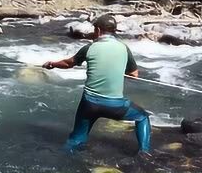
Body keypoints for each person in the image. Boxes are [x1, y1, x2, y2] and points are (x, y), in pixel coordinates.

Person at [42, 14, 151, 156]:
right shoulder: (124, 48)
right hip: (115, 106)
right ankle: (144, 152)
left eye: (94, 29)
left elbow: (68, 63)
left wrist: (52, 64)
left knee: (75, 139)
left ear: (98, 31)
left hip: (89, 104)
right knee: (142, 117)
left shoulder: (89, 48)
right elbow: (134, 74)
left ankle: (63, 158)